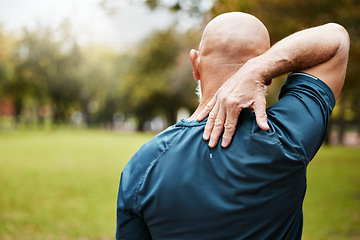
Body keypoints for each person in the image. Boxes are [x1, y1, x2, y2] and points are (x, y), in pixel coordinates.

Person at [116, 12, 349, 240]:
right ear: (269, 75)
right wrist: (258, 68)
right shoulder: (287, 138)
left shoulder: (143, 166)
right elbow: (337, 40)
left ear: (195, 65)